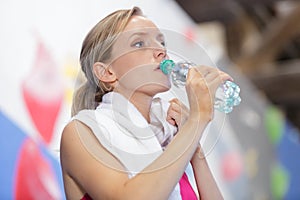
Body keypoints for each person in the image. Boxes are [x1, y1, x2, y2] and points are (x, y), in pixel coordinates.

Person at [60, 6, 232, 200]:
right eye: (139, 43)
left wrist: (195, 150)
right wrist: (197, 119)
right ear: (107, 72)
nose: (161, 51)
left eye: (161, 42)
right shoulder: (81, 132)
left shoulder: (168, 144)